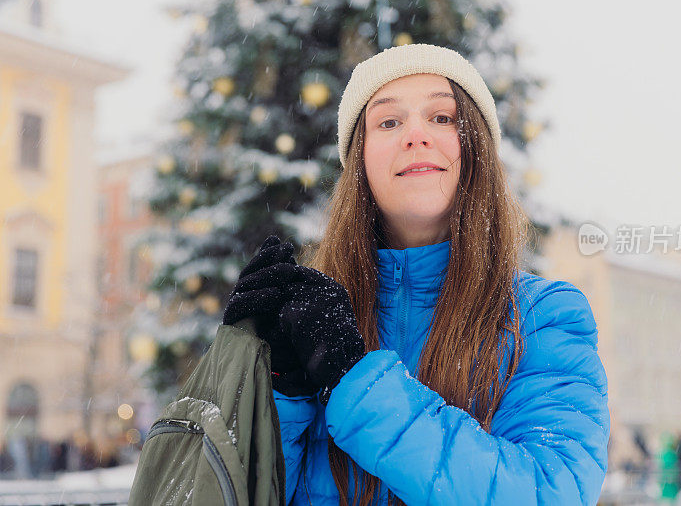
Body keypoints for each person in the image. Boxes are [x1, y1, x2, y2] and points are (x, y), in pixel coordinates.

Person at [222, 43, 611, 505]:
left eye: (442, 117)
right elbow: (237, 493)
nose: (415, 135)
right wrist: (274, 386)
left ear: (476, 150)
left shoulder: (543, 317)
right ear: (360, 163)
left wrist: (355, 380)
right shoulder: (311, 318)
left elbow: (550, 491)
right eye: (388, 122)